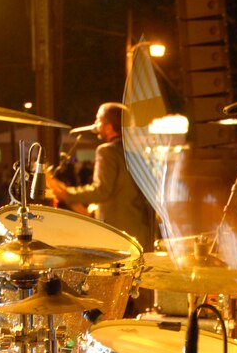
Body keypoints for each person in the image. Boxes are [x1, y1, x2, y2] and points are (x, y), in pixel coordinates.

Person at [46, 102, 155, 251]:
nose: (95, 124)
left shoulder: (106, 151)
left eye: (98, 120)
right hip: (140, 231)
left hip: (119, 235)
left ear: (109, 127)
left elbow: (102, 191)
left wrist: (67, 194)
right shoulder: (136, 153)